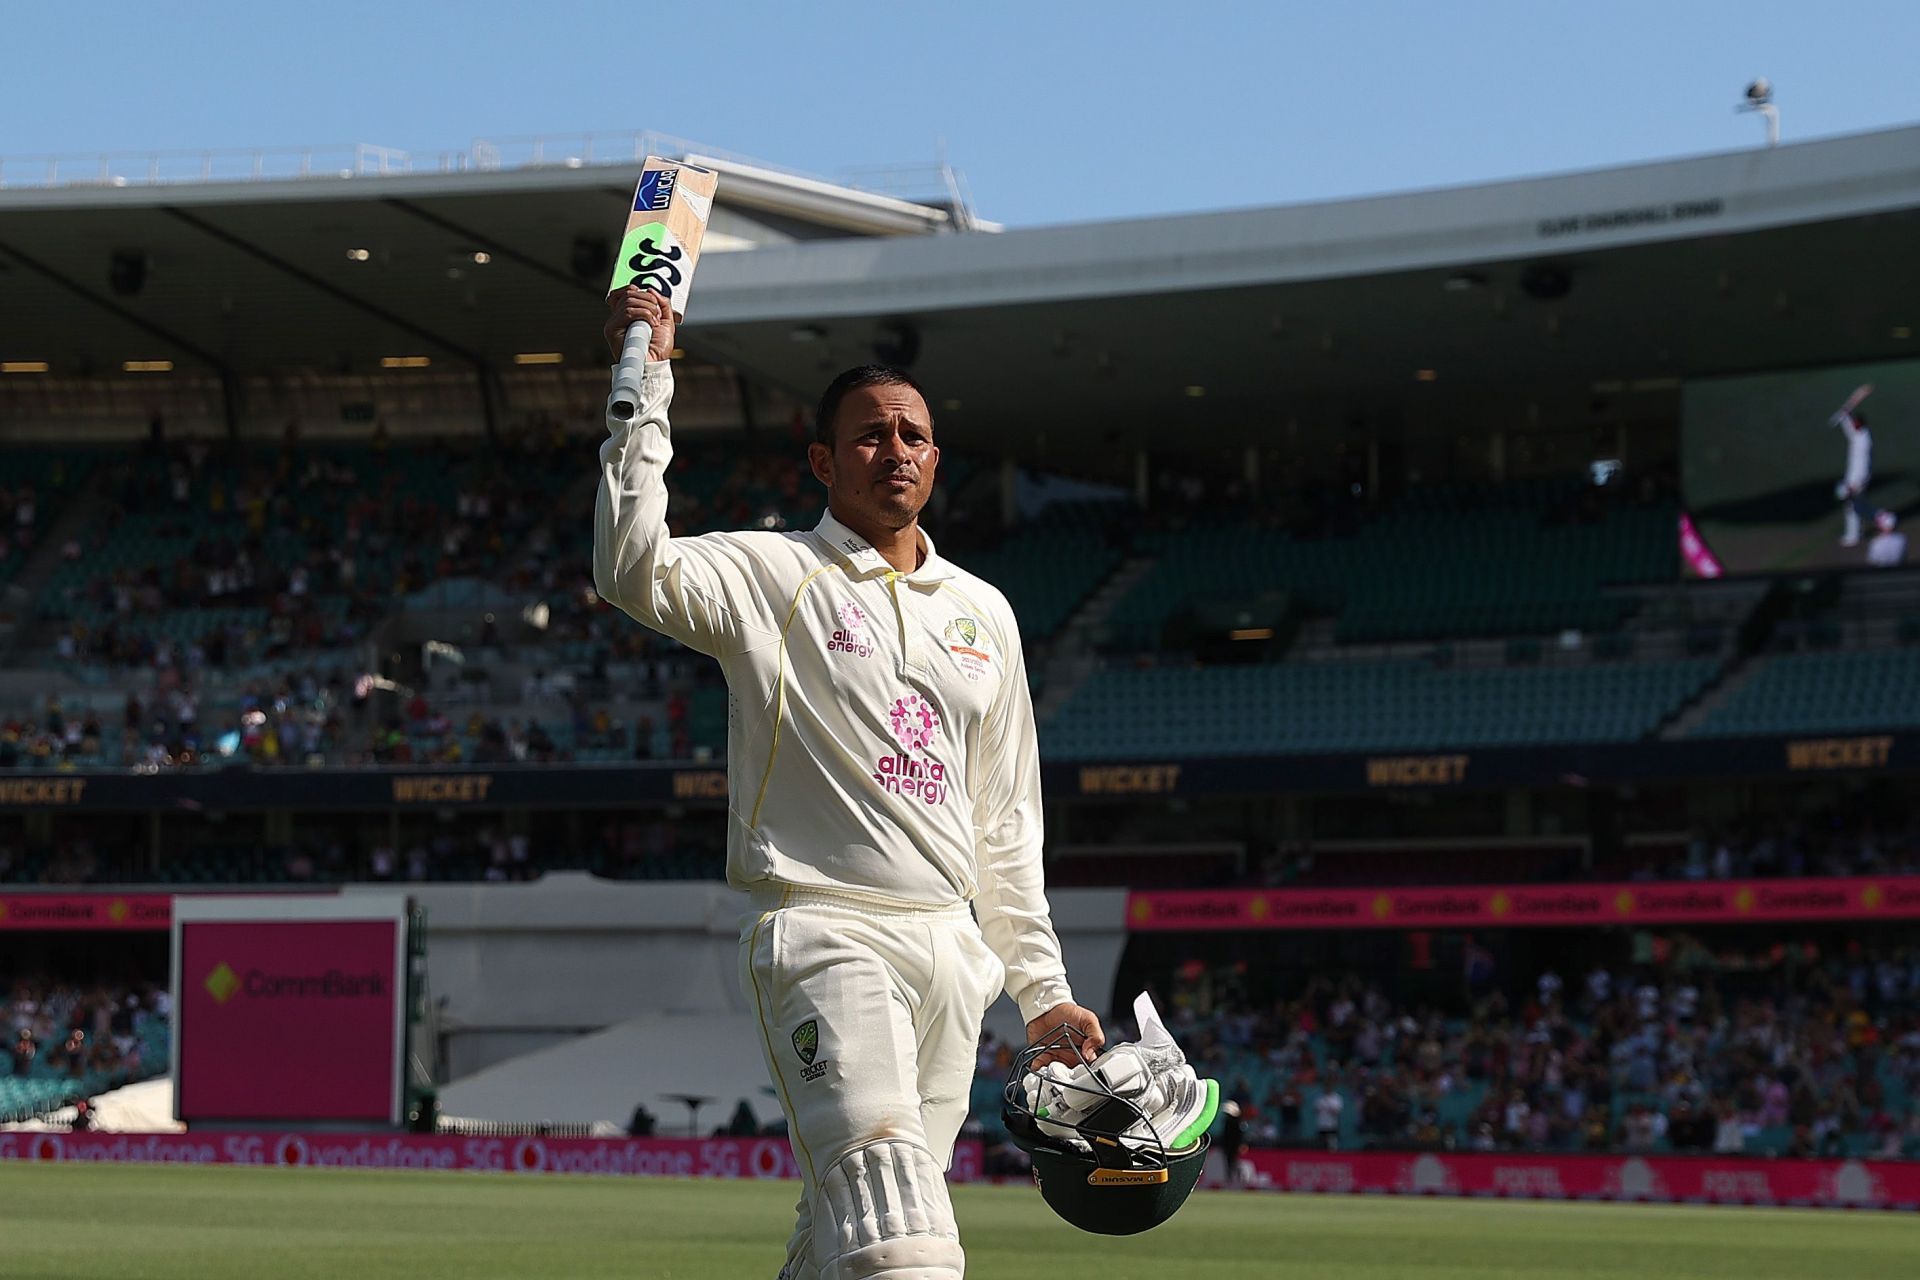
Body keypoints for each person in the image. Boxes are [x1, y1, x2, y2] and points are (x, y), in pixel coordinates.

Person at [595, 287, 1102, 1280]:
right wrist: (639, 373)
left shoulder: (984, 611)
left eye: (913, 434)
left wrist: (1042, 992)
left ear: (937, 458)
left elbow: (1003, 823)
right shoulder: (772, 572)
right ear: (823, 461)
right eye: (869, 436)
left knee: (842, 1238)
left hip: (953, 955)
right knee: (902, 1235)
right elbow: (630, 564)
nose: (896, 449)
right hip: (824, 927)